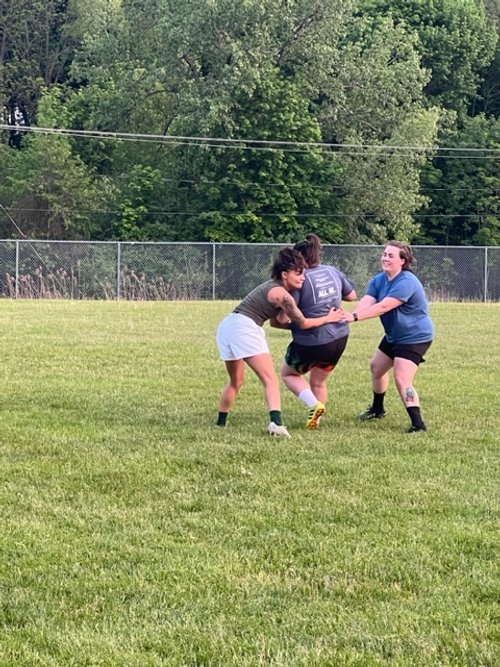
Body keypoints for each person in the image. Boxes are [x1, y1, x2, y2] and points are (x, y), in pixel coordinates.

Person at [216, 247, 343, 437]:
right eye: (298, 274)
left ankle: (220, 423)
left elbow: (278, 322)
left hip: (227, 326)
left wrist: (298, 325)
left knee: (236, 380)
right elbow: (303, 323)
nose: (303, 278)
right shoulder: (283, 296)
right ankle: (276, 424)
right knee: (271, 380)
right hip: (245, 327)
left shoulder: (276, 289)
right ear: (285, 274)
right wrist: (328, 319)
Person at [341, 241, 434, 433]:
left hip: (414, 337)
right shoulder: (379, 279)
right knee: (377, 368)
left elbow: (384, 306)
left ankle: (418, 425)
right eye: (384, 254)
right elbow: (368, 301)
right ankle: (378, 409)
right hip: (394, 335)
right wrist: (350, 316)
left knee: (402, 378)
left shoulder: (407, 281)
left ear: (403, 261)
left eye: (391, 256)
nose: (385, 258)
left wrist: (355, 317)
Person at [280, 234, 357, 429]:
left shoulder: (300, 280)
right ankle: (316, 420)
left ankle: (313, 405)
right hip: (339, 338)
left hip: (312, 341)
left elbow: (282, 318)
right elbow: (352, 295)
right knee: (319, 382)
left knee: (289, 374)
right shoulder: (332, 271)